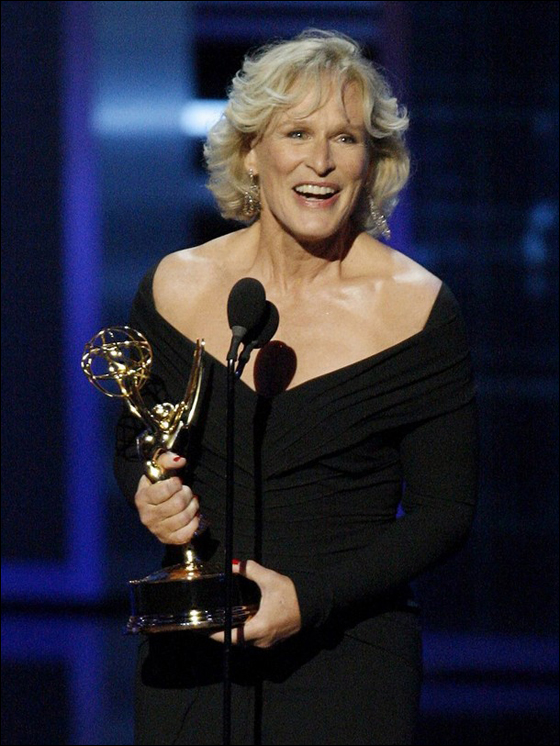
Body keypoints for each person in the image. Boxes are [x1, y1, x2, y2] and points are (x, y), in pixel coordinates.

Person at [114, 29, 478, 746]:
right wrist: (147, 493)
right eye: (298, 133)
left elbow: (445, 512)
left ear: (372, 161)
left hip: (349, 658)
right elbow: (136, 441)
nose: (321, 162)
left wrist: (309, 600)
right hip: (192, 651)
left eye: (346, 138)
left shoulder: (418, 309)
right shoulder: (174, 287)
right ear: (252, 152)